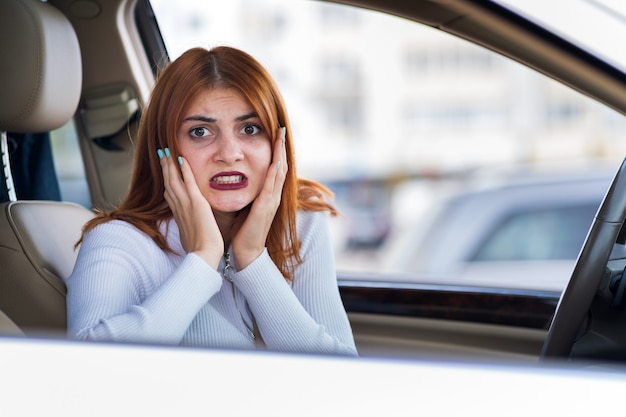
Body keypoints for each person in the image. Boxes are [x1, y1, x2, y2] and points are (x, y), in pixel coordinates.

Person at [66, 46, 358, 356]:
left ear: (277, 142)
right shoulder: (118, 240)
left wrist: (252, 260)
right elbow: (88, 365)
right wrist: (203, 261)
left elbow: (341, 371)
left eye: (250, 128)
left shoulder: (302, 222)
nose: (230, 153)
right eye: (200, 131)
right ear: (165, 147)